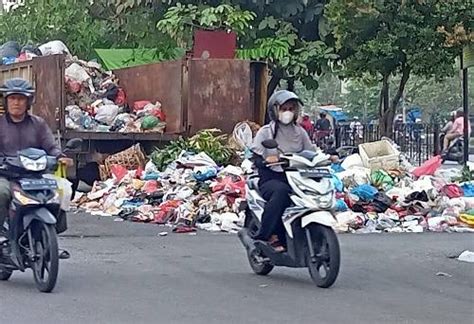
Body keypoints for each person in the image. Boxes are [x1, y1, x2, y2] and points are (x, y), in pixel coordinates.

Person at [0, 78, 73, 258]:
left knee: (63, 189)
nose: (16, 103)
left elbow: (51, 146)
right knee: (1, 192)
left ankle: (51, 238)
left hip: (35, 176)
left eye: (21, 99)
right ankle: (2, 236)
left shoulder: (38, 124)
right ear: (6, 101)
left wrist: (60, 157)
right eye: (12, 98)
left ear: (28, 102)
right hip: (7, 175)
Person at [251, 90, 314, 252]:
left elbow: (311, 152)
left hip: (296, 177)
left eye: (291, 108)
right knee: (282, 193)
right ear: (274, 110)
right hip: (270, 178)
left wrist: (329, 157)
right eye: (283, 108)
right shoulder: (266, 132)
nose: (288, 112)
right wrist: (266, 160)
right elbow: (255, 157)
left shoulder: (300, 132)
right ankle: (269, 234)